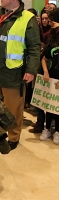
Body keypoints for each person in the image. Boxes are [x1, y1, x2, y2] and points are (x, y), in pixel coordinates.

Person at [0, 0, 41, 150]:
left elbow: (34, 47)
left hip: (12, 72)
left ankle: (13, 137)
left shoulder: (27, 18)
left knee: (13, 107)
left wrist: (31, 70)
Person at [39, 8, 59, 144]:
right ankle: (47, 129)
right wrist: (45, 71)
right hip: (50, 74)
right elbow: (44, 57)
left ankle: (57, 131)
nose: (49, 22)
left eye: (52, 20)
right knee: (49, 103)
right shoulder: (49, 35)